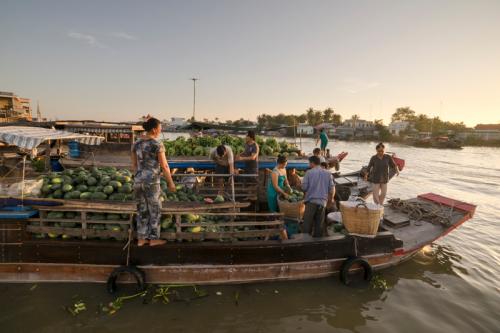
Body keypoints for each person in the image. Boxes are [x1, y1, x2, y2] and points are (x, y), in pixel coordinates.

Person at [131, 117, 176, 247]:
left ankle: (141, 238)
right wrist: (170, 183)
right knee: (155, 210)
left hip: (138, 181)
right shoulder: (157, 144)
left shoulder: (136, 144)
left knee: (142, 210)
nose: (160, 131)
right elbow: (165, 166)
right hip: (151, 182)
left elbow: (134, 165)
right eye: (160, 129)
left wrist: (139, 177)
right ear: (154, 129)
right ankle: (154, 238)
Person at [302, 156, 335, 237]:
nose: (309, 165)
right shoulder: (328, 173)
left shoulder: (309, 173)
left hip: (311, 202)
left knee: (307, 224)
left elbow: (304, 188)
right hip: (323, 202)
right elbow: (331, 189)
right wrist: (330, 201)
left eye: (309, 163)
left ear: (312, 163)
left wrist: (301, 185)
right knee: (319, 225)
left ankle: (305, 241)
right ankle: (317, 241)